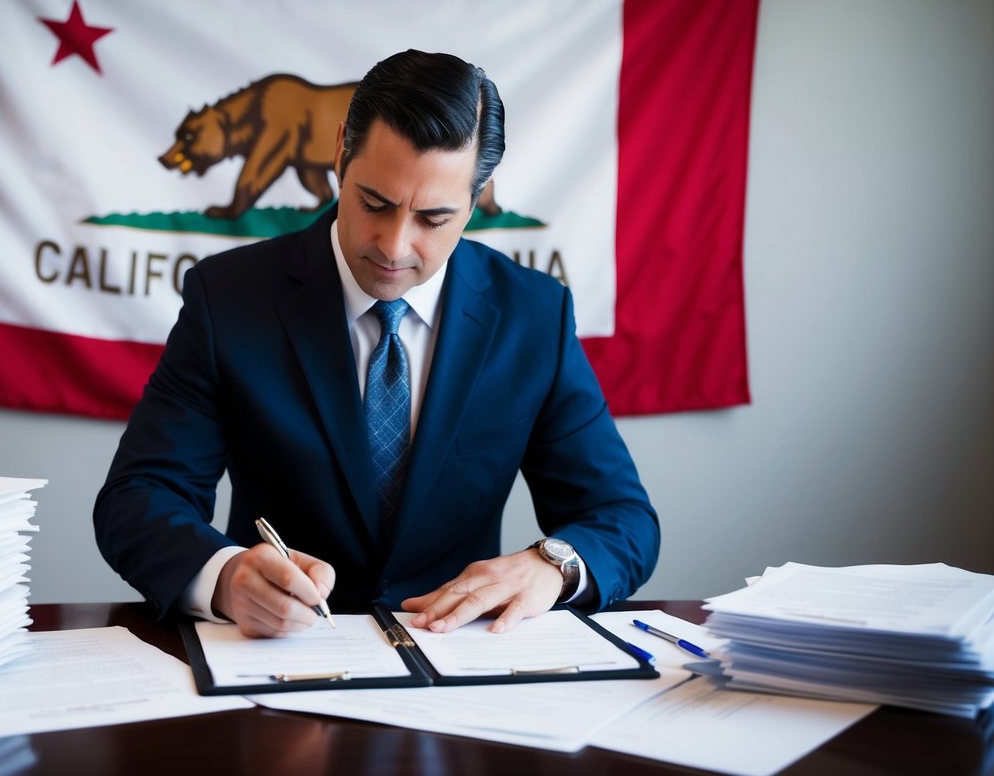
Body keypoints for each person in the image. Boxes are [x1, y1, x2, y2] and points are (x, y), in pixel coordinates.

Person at [94, 49, 659, 638]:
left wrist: (556, 567)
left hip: (457, 666)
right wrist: (224, 575)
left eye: (433, 219)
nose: (394, 246)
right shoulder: (228, 298)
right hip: (276, 665)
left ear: (477, 196)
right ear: (340, 151)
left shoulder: (534, 315)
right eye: (374, 204)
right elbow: (138, 497)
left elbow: (622, 518)